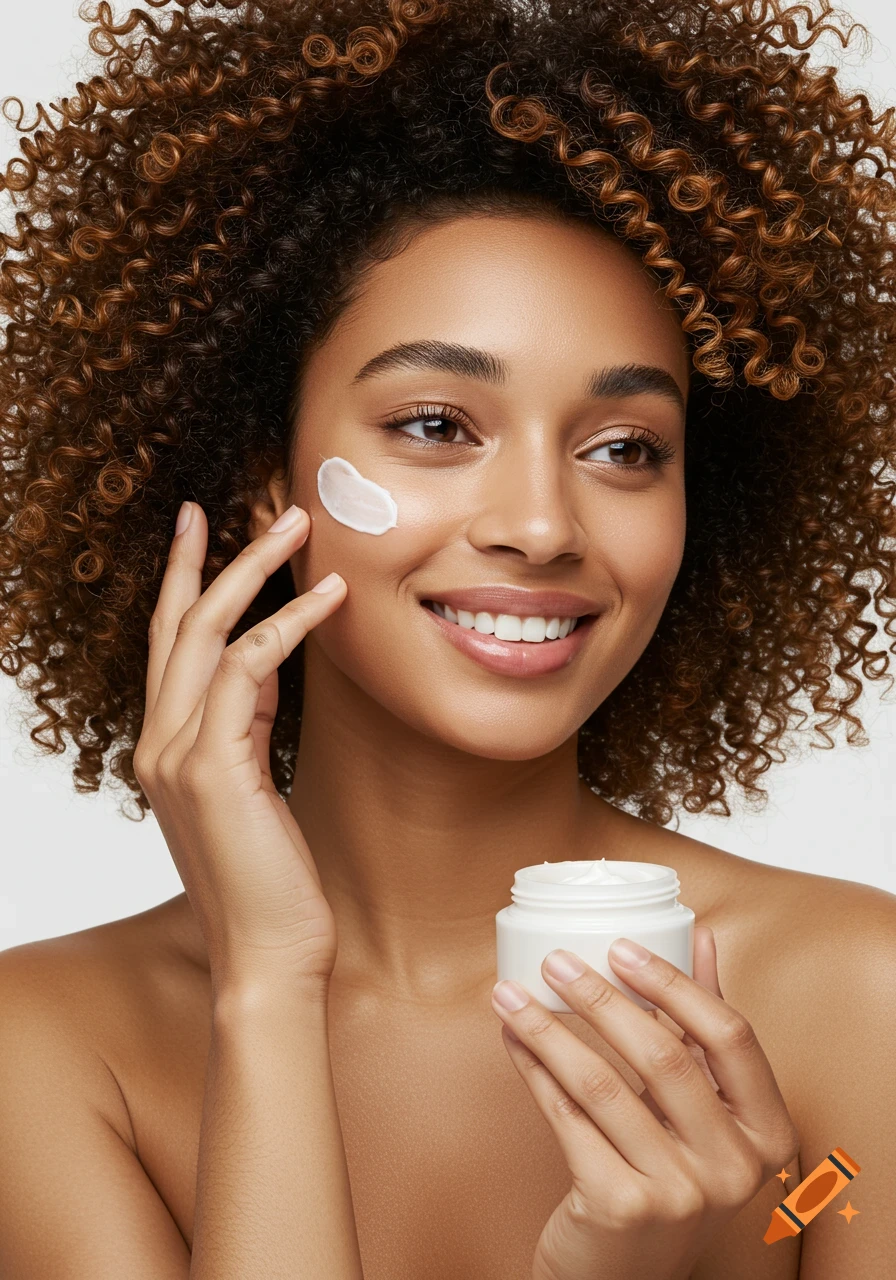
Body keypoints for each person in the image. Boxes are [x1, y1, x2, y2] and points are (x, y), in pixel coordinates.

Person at [0, 0, 893, 1275]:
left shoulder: (857, 1004)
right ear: (271, 480)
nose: (539, 523)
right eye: (434, 424)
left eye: (624, 448)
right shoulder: (49, 1046)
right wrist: (265, 984)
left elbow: (834, 1201)